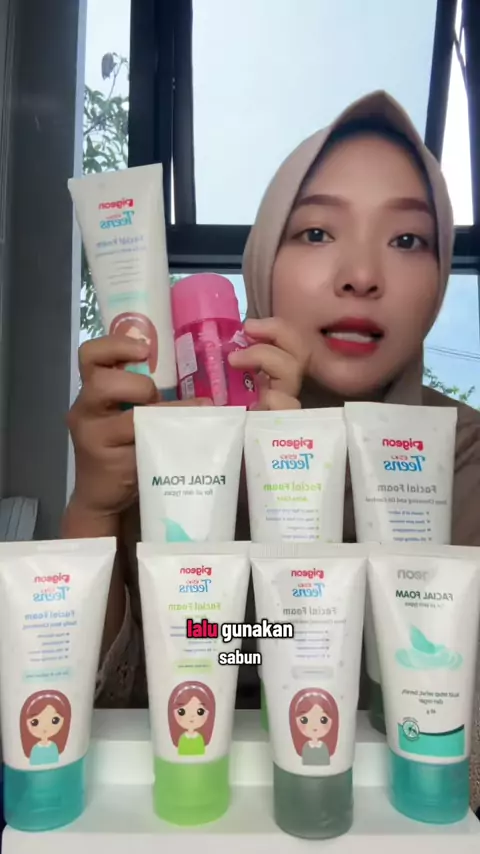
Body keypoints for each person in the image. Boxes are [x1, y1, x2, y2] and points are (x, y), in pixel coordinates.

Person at [63, 90, 480, 808]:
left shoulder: (465, 455)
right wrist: (94, 507)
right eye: (316, 232)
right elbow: (100, 693)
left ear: (440, 276)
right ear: (262, 263)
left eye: (408, 240)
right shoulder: (180, 441)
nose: (361, 274)